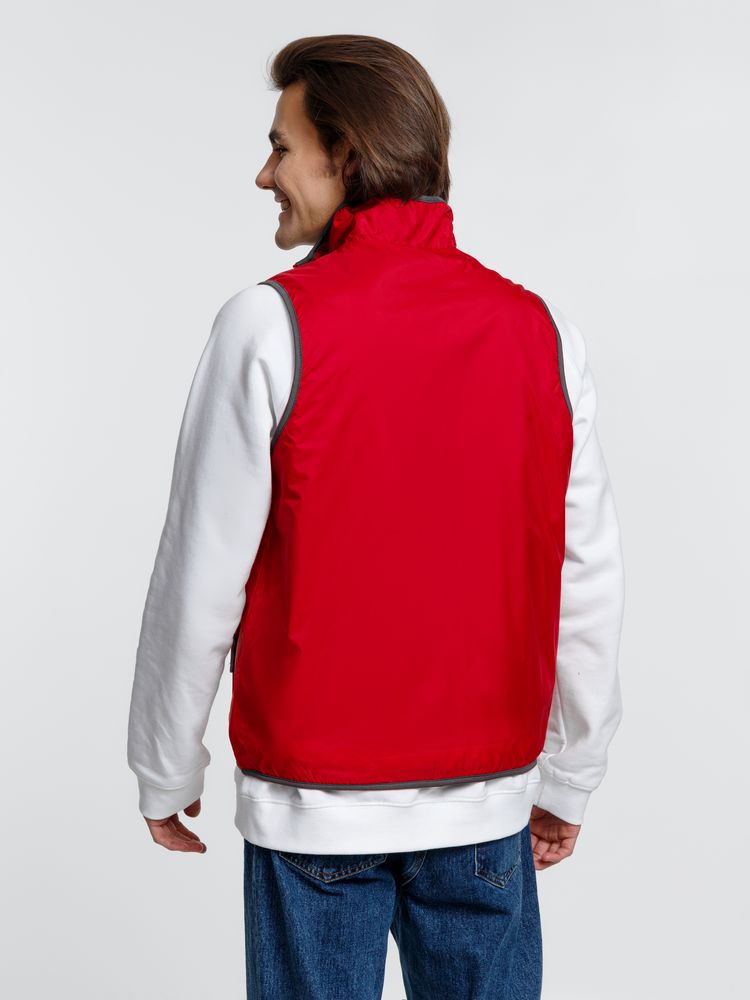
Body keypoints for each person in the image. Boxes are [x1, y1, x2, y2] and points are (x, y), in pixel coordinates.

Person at [127, 33, 625, 1000]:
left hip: (314, 812)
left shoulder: (267, 324)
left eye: (281, 146)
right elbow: (587, 572)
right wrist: (573, 771)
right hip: (483, 810)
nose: (264, 174)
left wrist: (164, 764)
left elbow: (199, 575)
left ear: (345, 153)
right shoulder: (539, 332)